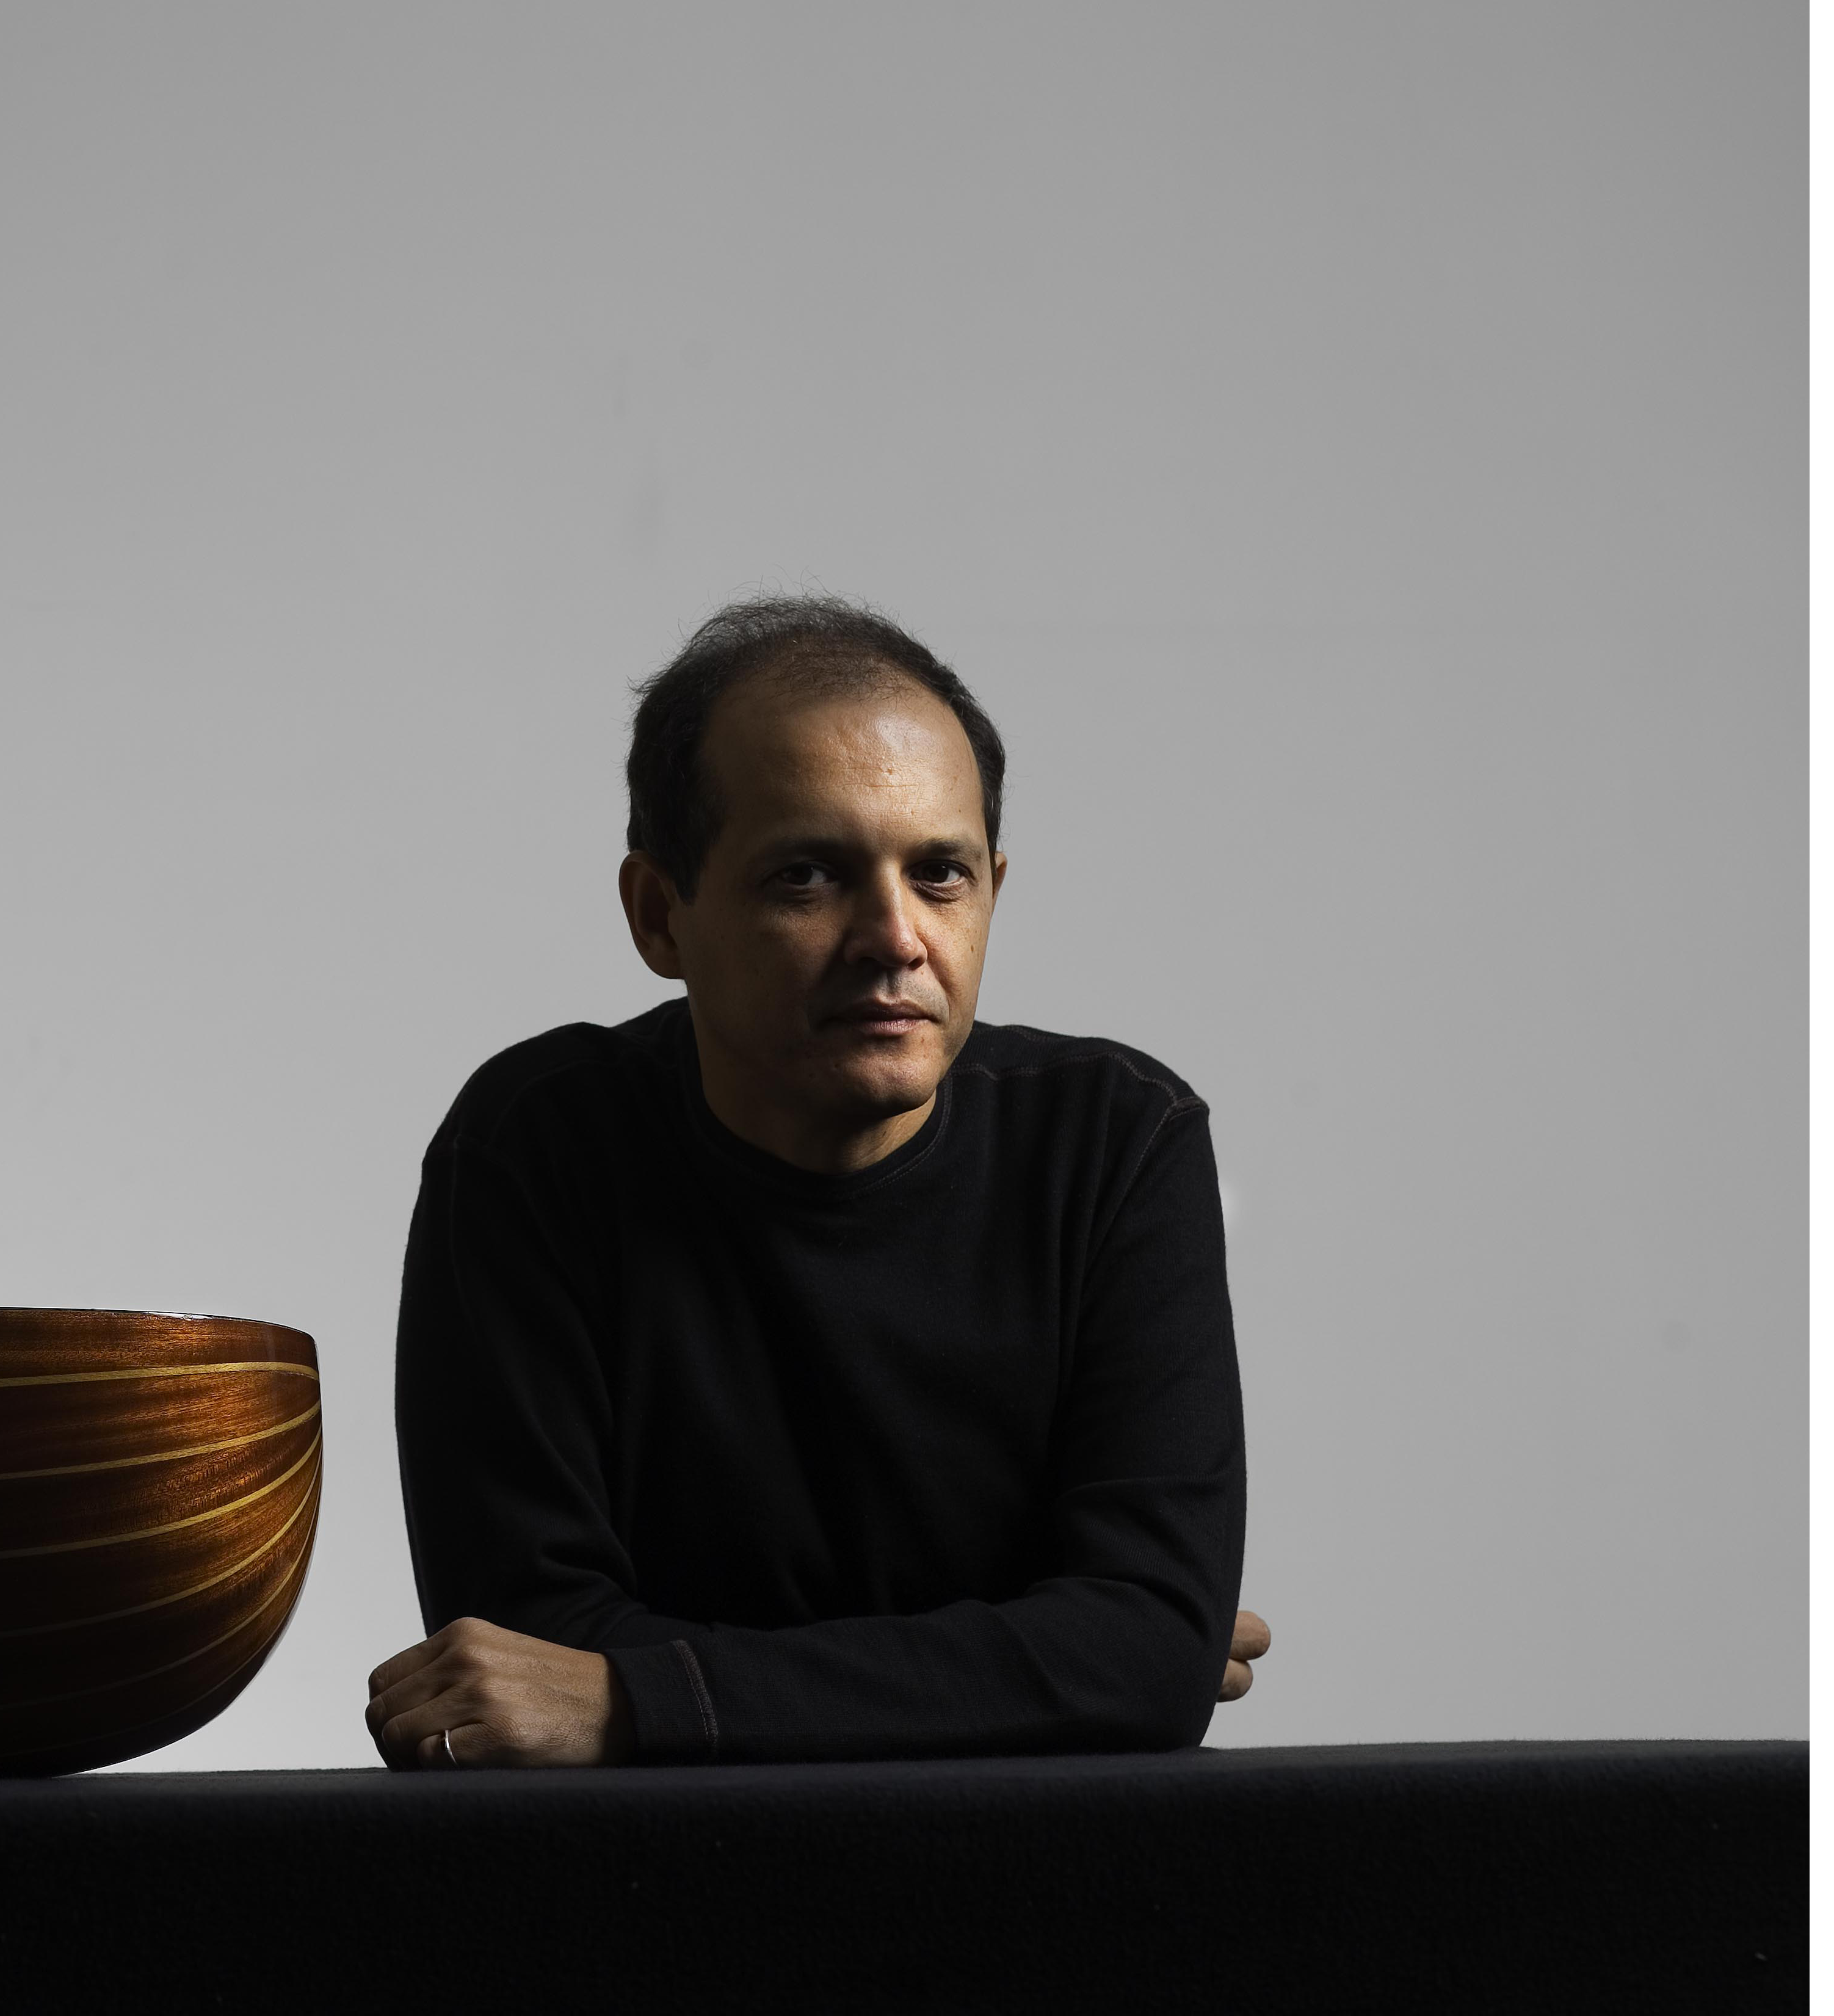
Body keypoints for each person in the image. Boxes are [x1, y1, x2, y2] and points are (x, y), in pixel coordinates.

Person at [364, 597, 1267, 1769]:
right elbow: (520, 1667)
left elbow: (1141, 1655)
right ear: (659, 915)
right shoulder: (532, 1153)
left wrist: (641, 1698)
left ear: (993, 891)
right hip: (654, 1874)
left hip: (1035, 1867)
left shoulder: (1117, 1145)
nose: (896, 937)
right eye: (807, 877)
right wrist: (1038, 1665)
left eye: (940, 874)